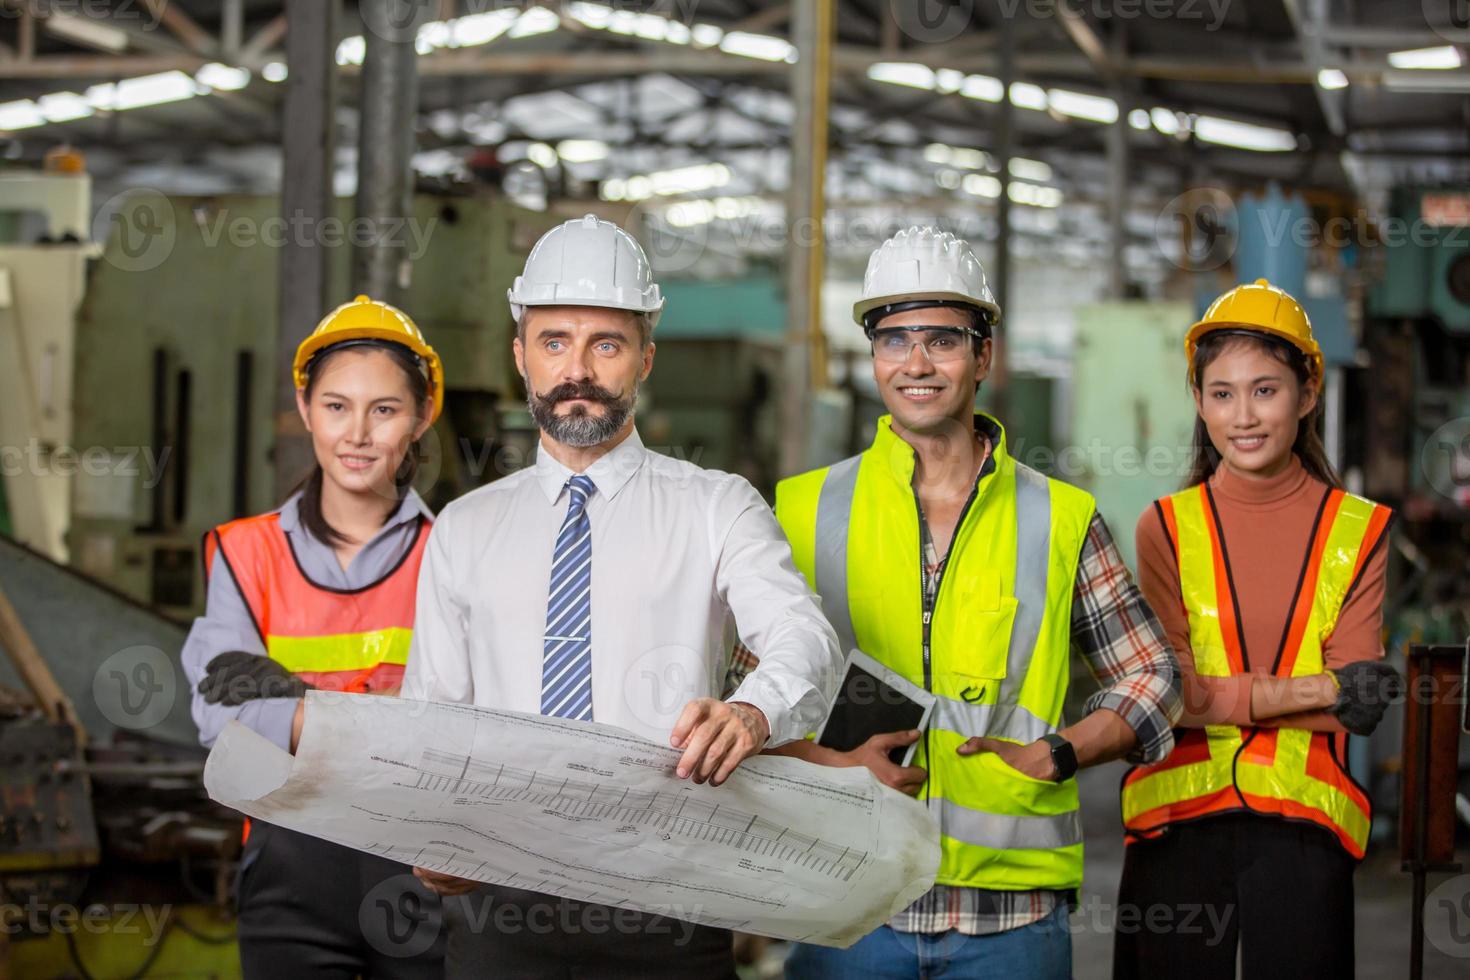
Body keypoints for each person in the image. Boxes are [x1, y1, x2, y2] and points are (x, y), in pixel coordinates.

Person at [399, 214, 843, 978]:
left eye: (605, 343)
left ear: (645, 358)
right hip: (502, 903)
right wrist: (426, 834)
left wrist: (751, 710)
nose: (578, 369)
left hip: (667, 901)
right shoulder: (465, 530)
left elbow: (804, 636)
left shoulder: (717, 507)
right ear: (520, 357)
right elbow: (433, 720)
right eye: (553, 342)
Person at [764, 226, 1182, 979]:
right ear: (873, 356)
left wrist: (1060, 752)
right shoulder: (801, 510)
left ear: (984, 354)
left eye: (943, 340)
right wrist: (832, 763)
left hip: (1010, 923)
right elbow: (741, 703)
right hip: (847, 908)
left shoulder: (1061, 518)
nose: (916, 363)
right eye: (895, 339)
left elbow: (1154, 675)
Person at [1114, 279, 1399, 979]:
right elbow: (1166, 697)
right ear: (1199, 402)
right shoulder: (1166, 528)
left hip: (1305, 834)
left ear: (1307, 395)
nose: (1243, 415)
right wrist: (1312, 689)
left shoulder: (1358, 530)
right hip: (1174, 826)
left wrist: (1224, 696)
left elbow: (1356, 708)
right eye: (1221, 393)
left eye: (1265, 390)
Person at [181, 295, 446, 978]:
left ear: (421, 418)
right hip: (288, 867)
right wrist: (385, 708)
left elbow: (468, 728)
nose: (357, 433)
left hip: (427, 868)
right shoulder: (245, 553)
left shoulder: (457, 555)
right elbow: (220, 716)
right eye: (336, 406)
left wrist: (299, 707)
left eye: (384, 409)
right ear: (305, 410)